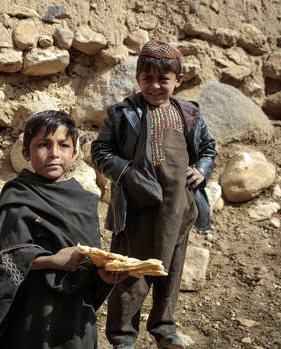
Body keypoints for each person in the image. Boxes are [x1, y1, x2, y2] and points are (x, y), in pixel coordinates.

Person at [91, 40, 217, 349]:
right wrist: (126, 172)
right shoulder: (123, 113)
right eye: (147, 78)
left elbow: (208, 149)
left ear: (179, 80)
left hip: (179, 206)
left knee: (170, 271)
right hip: (137, 208)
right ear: (138, 79)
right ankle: (122, 337)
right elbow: (99, 150)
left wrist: (202, 168)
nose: (156, 85)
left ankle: (164, 329)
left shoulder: (189, 113)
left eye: (164, 79)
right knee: (131, 271)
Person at [0, 110, 128, 349]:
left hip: (76, 319)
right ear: (26, 153)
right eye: (43, 145)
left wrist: (103, 276)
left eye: (63, 145)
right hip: (29, 316)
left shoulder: (84, 202)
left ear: (75, 153)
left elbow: (89, 264)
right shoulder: (17, 196)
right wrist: (51, 261)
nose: (54, 153)